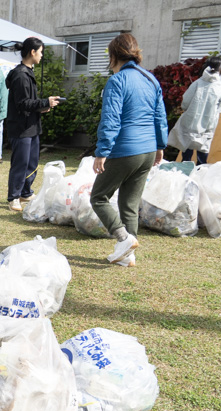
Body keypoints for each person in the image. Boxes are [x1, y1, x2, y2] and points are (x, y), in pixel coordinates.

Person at [90, 33, 168, 267]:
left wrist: (102, 150)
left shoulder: (118, 80)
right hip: (147, 150)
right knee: (129, 205)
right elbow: (159, 116)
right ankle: (128, 256)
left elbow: (111, 119)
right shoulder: (151, 79)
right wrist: (160, 145)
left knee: (99, 197)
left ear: (114, 55)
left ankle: (123, 239)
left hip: (125, 149)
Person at [5, 38, 61, 211]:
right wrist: (44, 102)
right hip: (21, 128)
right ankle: (13, 197)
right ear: (32, 52)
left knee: (32, 162)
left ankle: (25, 193)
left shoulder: (27, 72)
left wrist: (43, 107)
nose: (42, 55)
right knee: (20, 163)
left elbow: (29, 102)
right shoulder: (21, 75)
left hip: (31, 126)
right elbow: (22, 103)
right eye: (41, 51)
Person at [167, 56, 221, 165]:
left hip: (191, 122)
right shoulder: (220, 87)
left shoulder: (197, 83)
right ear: (220, 70)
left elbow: (185, 102)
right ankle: (200, 176)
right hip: (208, 124)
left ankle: (185, 176)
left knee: (186, 153)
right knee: (203, 153)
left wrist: (188, 110)